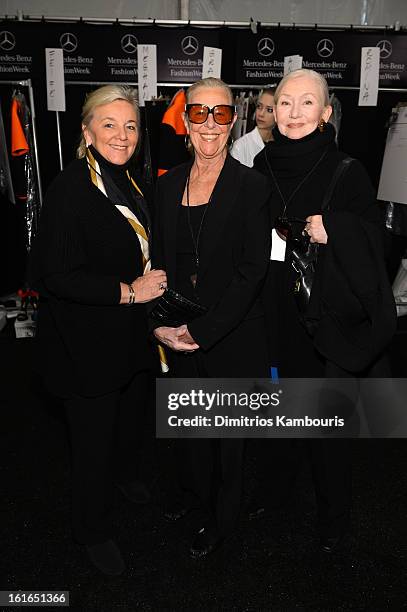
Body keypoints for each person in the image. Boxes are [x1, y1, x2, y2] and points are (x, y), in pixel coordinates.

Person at [253, 69, 396, 552]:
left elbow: (377, 239)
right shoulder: (259, 164)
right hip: (269, 311)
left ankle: (334, 515)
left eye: (306, 103)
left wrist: (335, 229)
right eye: (285, 103)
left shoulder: (346, 170)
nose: (293, 113)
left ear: (327, 113)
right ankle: (276, 493)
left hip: (321, 316)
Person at [29, 85, 167, 575]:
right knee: (92, 442)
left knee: (127, 421)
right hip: (83, 343)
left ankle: (126, 475)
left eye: (130, 126)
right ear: (86, 132)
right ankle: (90, 529)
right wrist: (132, 291)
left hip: (126, 336)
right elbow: (58, 276)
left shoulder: (128, 181)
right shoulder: (72, 190)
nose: (122, 134)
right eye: (109, 124)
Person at [152, 77, 271, 558]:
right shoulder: (164, 186)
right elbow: (157, 264)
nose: (209, 124)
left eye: (220, 114)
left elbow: (251, 274)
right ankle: (193, 496)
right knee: (189, 426)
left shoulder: (252, 187)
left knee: (227, 438)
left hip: (231, 334)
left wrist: (202, 331)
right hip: (177, 330)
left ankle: (222, 520)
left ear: (233, 120)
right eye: (199, 113)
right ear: (185, 120)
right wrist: (158, 324)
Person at [230, 87, 275, 167]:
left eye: (269, 110)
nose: (261, 114)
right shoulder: (240, 146)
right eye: (259, 106)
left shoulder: (284, 144)